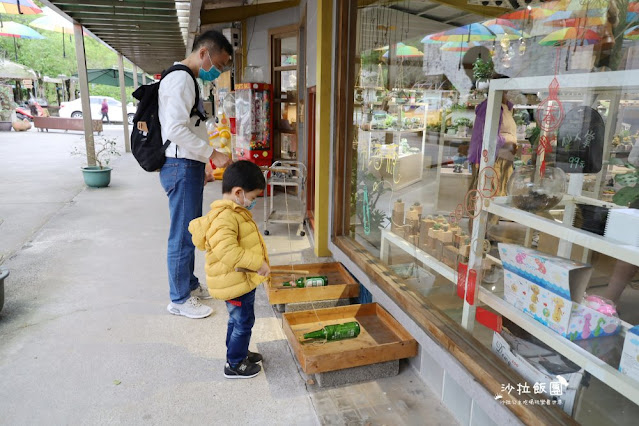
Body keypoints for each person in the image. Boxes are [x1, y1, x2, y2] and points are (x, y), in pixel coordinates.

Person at [160, 30, 233, 319]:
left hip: (187, 165)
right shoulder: (180, 79)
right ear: (204, 53)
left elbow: (191, 127)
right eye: (219, 63)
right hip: (179, 166)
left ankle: (188, 285)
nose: (218, 70)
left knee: (190, 231)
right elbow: (175, 130)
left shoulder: (186, 78)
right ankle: (178, 299)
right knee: (181, 234)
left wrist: (202, 164)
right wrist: (211, 155)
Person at [189, 161, 270, 379]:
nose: (252, 202)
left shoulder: (234, 212)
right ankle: (234, 364)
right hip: (234, 284)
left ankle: (239, 353)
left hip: (238, 280)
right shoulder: (225, 218)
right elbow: (229, 252)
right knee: (242, 323)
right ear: (238, 192)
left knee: (238, 321)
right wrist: (257, 263)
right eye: (252, 198)